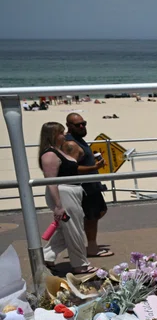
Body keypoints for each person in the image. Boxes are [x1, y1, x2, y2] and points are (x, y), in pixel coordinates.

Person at [37, 122, 94, 273]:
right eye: (61, 132)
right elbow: (51, 181)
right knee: (74, 230)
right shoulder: (49, 154)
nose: (65, 135)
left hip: (71, 191)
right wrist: (58, 205)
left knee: (66, 230)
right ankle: (80, 265)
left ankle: (45, 256)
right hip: (64, 193)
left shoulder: (58, 151)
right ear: (53, 135)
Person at [64, 113, 112, 258]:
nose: (82, 126)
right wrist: (94, 167)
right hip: (85, 188)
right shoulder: (71, 144)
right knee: (91, 216)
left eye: (84, 123)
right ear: (69, 126)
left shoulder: (79, 140)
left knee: (98, 212)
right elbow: (72, 168)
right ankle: (91, 247)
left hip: (91, 185)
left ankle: (87, 244)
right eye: (78, 125)